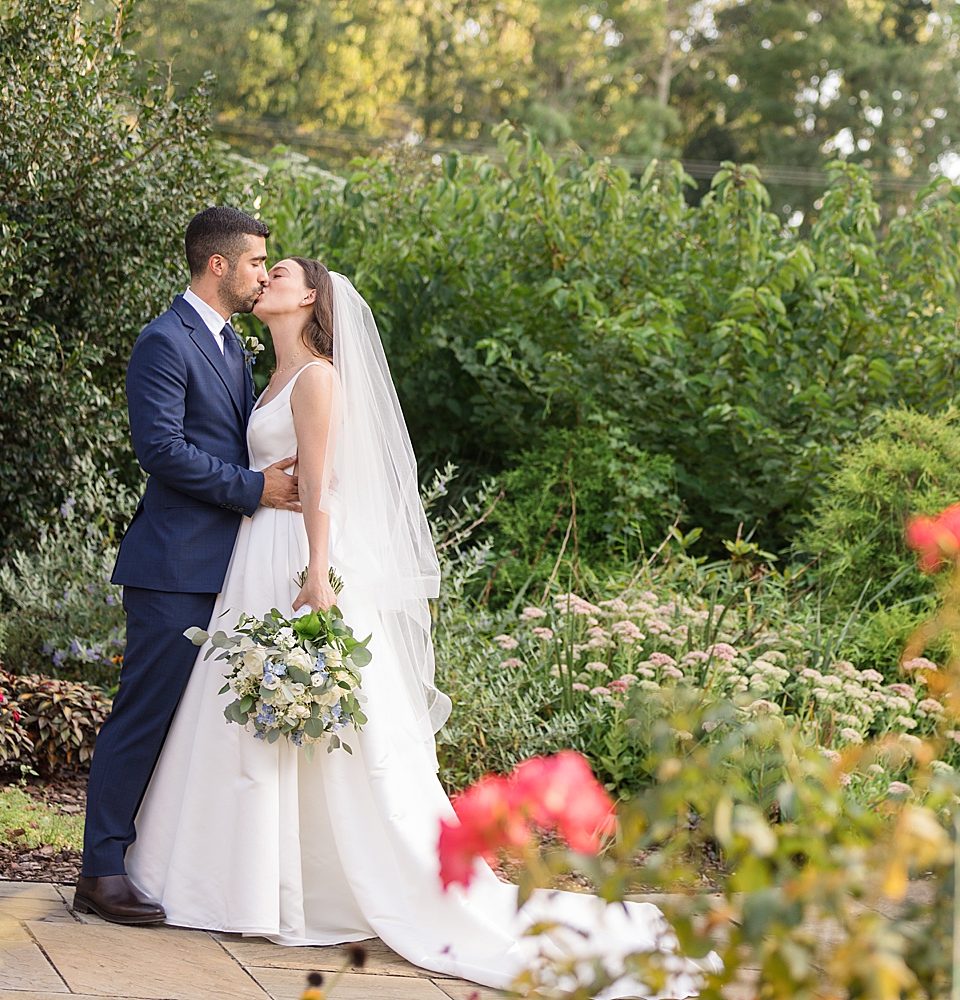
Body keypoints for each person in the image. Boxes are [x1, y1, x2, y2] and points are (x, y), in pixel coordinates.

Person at [123, 253, 686, 996]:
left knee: (313, 725)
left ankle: (322, 887)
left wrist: (318, 571)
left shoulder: (319, 376)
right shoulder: (267, 375)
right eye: (264, 267)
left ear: (311, 300)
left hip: (295, 560)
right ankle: (243, 880)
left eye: (280, 272)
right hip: (252, 560)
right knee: (251, 719)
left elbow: (323, 483)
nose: (267, 280)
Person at [78, 208, 300, 923]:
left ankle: (161, 863)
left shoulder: (233, 346)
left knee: (192, 730)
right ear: (218, 265)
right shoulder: (163, 341)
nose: (264, 273)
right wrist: (255, 489)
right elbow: (162, 451)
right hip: (173, 567)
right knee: (142, 718)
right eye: (258, 262)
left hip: (227, 569)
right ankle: (100, 872)